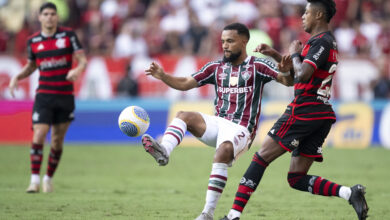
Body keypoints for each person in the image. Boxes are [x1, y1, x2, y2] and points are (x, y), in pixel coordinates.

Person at [220, 1, 369, 220]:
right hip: (321, 113)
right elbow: (300, 69)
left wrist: (295, 53)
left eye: (307, 12)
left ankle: (233, 216)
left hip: (305, 109)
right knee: (296, 178)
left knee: (260, 158)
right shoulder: (321, 43)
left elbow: (302, 74)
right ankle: (349, 192)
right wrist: (275, 55)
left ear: (318, 14)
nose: (302, 16)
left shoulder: (322, 42)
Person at [142, 22, 294, 220]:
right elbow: (186, 83)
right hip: (219, 123)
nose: (225, 45)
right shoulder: (216, 67)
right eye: (223, 41)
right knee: (182, 116)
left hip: (242, 129)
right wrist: (163, 76)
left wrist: (285, 69)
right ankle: (164, 151)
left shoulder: (258, 65)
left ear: (244, 41)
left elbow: (288, 81)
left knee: (223, 151)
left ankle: (207, 213)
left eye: (230, 41)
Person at [8, 2, 87, 193]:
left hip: (65, 95)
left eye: (53, 14)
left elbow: (82, 60)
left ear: (57, 17)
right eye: (46, 14)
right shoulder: (33, 41)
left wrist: (77, 70)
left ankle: (48, 178)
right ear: (40, 17)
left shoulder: (68, 36)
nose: (50, 17)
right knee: (39, 134)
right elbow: (32, 65)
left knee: (57, 141)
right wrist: (17, 76)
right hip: (44, 94)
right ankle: (34, 180)